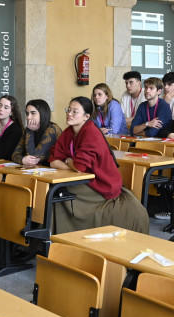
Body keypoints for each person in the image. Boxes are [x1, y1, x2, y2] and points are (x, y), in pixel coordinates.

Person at [49, 97, 149, 234]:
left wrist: (67, 161)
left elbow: (79, 166)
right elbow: (54, 160)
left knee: (59, 193)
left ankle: (62, 236)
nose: (69, 114)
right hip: (81, 178)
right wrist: (71, 165)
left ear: (86, 116)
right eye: (68, 110)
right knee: (55, 190)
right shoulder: (69, 131)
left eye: (75, 111)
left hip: (101, 184)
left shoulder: (91, 132)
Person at [12, 99, 62, 166]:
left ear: (42, 114)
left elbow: (33, 158)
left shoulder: (52, 129)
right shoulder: (29, 129)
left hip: (55, 172)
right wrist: (22, 160)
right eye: (27, 114)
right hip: (38, 171)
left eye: (33, 113)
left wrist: (30, 132)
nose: (28, 117)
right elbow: (15, 154)